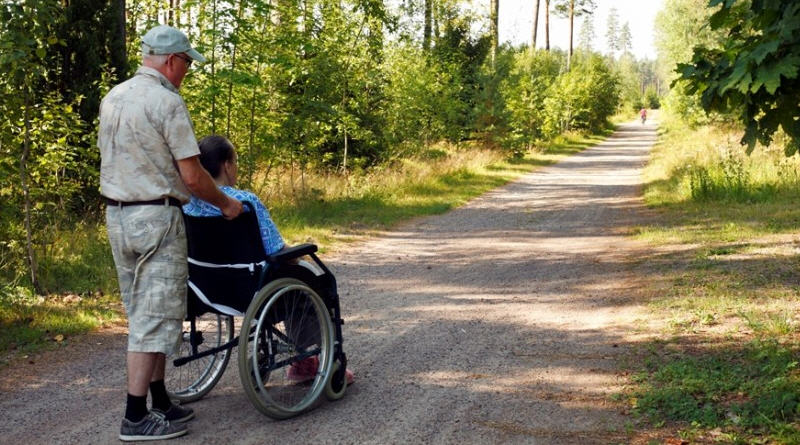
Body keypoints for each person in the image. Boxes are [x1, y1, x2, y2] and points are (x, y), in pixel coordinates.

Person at [98, 25, 243, 442]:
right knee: (153, 315)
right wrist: (226, 204)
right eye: (186, 65)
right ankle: (134, 416)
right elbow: (194, 177)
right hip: (156, 218)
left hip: (118, 216)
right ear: (171, 61)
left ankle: (160, 399)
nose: (186, 73)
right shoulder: (166, 102)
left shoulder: (114, 97)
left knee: (145, 310)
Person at [182, 135, 354, 385]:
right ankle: (304, 362)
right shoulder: (244, 202)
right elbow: (277, 249)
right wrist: (301, 254)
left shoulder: (188, 204)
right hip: (250, 288)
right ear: (227, 165)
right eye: (236, 162)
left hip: (207, 288)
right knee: (311, 279)